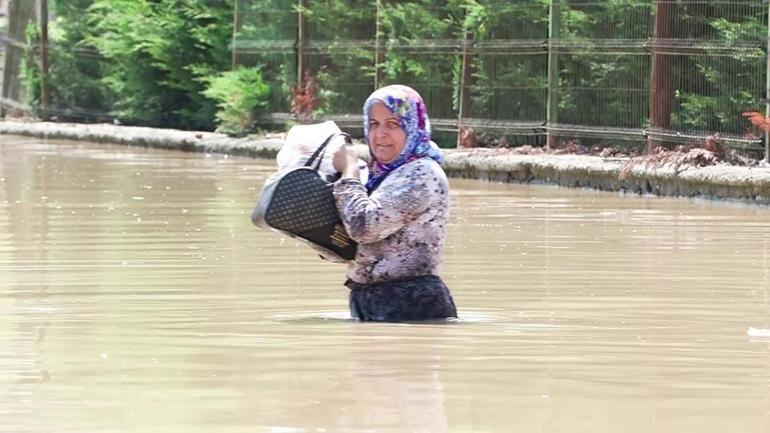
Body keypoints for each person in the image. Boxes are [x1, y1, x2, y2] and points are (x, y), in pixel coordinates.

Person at [331, 84, 457, 322]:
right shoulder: (379, 176)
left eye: (393, 124)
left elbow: (364, 227)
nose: (381, 134)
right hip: (371, 302)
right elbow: (354, 240)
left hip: (411, 306)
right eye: (374, 124)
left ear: (413, 127)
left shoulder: (421, 173)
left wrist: (348, 170)